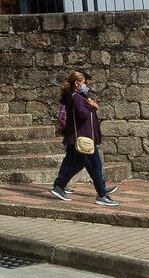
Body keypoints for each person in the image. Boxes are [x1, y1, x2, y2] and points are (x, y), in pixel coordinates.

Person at [50, 71, 120, 206]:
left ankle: (60, 186)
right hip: (82, 137)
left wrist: (88, 103)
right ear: (77, 83)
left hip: (81, 137)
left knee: (80, 163)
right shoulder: (76, 97)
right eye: (84, 83)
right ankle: (101, 195)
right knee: (95, 164)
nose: (86, 85)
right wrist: (91, 106)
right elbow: (82, 114)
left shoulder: (78, 96)